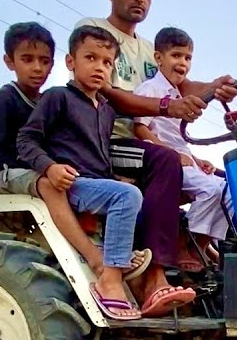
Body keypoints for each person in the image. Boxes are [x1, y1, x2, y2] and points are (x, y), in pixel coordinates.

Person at [75, 0, 237, 269]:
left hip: (145, 145)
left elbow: (181, 85)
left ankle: (213, 252)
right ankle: (158, 268)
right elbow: (108, 94)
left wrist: (216, 86)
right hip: (111, 144)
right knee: (166, 159)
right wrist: (167, 107)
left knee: (235, 179)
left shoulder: (147, 47)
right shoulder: (95, 32)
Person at [17, 24, 195, 320]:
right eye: (91, 58)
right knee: (127, 196)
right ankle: (109, 279)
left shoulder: (105, 109)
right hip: (74, 182)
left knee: (149, 208)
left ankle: (141, 280)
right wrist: (50, 167)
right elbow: (26, 139)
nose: (99, 67)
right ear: (71, 62)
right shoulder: (58, 97)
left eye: (107, 62)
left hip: (98, 183)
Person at [0, 21, 149, 279]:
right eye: (27, 59)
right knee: (50, 184)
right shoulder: (5, 99)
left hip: (34, 167)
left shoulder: (56, 101)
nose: (37, 68)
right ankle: (94, 257)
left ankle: (117, 254)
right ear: (9, 61)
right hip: (3, 170)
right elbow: (2, 148)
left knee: (119, 191)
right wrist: (47, 165)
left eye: (44, 61)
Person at [133, 27, 233, 264]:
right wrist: (171, 155)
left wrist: (198, 161)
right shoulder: (150, 90)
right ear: (159, 58)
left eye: (187, 58)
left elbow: (179, 138)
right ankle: (181, 247)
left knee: (231, 191)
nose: (183, 63)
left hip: (185, 160)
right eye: (176, 55)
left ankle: (198, 245)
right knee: (211, 191)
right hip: (162, 162)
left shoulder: (179, 94)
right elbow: (140, 129)